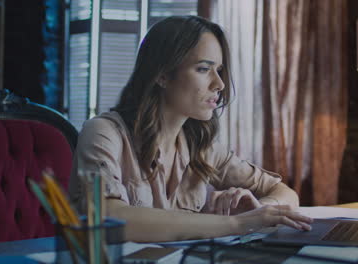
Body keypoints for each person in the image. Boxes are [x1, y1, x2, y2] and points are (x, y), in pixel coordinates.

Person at [69, 15, 313, 243]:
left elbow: (284, 192)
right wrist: (235, 223)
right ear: (162, 75)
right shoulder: (103, 133)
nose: (219, 84)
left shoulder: (201, 147)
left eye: (218, 70)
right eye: (203, 69)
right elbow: (106, 217)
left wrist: (260, 211)